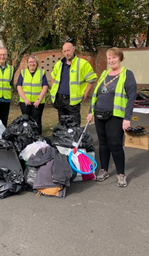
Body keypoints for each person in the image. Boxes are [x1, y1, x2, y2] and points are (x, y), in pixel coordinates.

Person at [87, 47, 137, 187]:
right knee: (103, 144)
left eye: (114, 57)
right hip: (99, 114)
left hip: (116, 115)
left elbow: (132, 97)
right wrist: (91, 111)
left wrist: (127, 118)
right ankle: (104, 170)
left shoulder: (127, 74)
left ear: (120, 58)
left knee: (115, 145)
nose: (111, 60)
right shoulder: (104, 73)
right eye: (109, 58)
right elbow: (96, 94)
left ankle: (121, 174)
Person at [51, 42, 97, 125]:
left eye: (68, 50)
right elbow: (53, 78)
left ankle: (75, 138)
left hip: (73, 101)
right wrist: (54, 92)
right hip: (60, 99)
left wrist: (85, 94)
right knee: (62, 125)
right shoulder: (59, 64)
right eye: (64, 51)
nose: (66, 53)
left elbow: (91, 80)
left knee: (74, 126)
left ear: (73, 49)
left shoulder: (82, 64)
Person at [17, 55, 48, 135]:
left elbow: (45, 87)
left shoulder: (42, 73)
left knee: (37, 121)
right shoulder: (23, 73)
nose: (32, 64)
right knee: (26, 121)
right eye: (30, 62)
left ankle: (37, 139)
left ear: (37, 63)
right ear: (27, 63)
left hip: (38, 103)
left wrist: (39, 100)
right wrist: (25, 100)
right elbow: (19, 87)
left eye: (33, 62)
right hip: (25, 102)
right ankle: (26, 137)